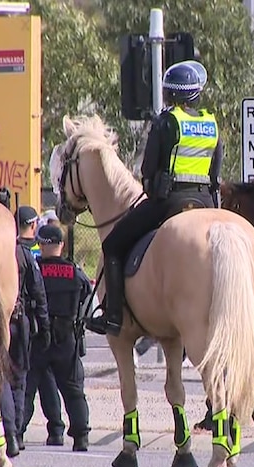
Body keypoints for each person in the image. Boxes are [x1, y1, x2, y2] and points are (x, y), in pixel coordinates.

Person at [85, 60, 221, 336]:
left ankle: (113, 316)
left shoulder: (166, 122)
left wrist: (151, 186)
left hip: (168, 203)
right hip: (206, 202)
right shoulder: (211, 123)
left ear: (171, 94)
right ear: (196, 94)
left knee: (113, 245)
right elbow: (216, 171)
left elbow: (148, 169)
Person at [25, 224, 92, 450]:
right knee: (73, 390)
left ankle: (16, 433)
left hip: (38, 337)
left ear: (41, 244)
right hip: (66, 338)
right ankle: (81, 436)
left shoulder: (34, 270)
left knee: (27, 388)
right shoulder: (75, 272)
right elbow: (87, 300)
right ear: (62, 245)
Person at [5, 219, 51, 455]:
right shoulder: (25, 256)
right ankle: (16, 433)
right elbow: (38, 290)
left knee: (1, 379)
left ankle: (5, 430)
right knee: (19, 379)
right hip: (19, 320)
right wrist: (45, 327)